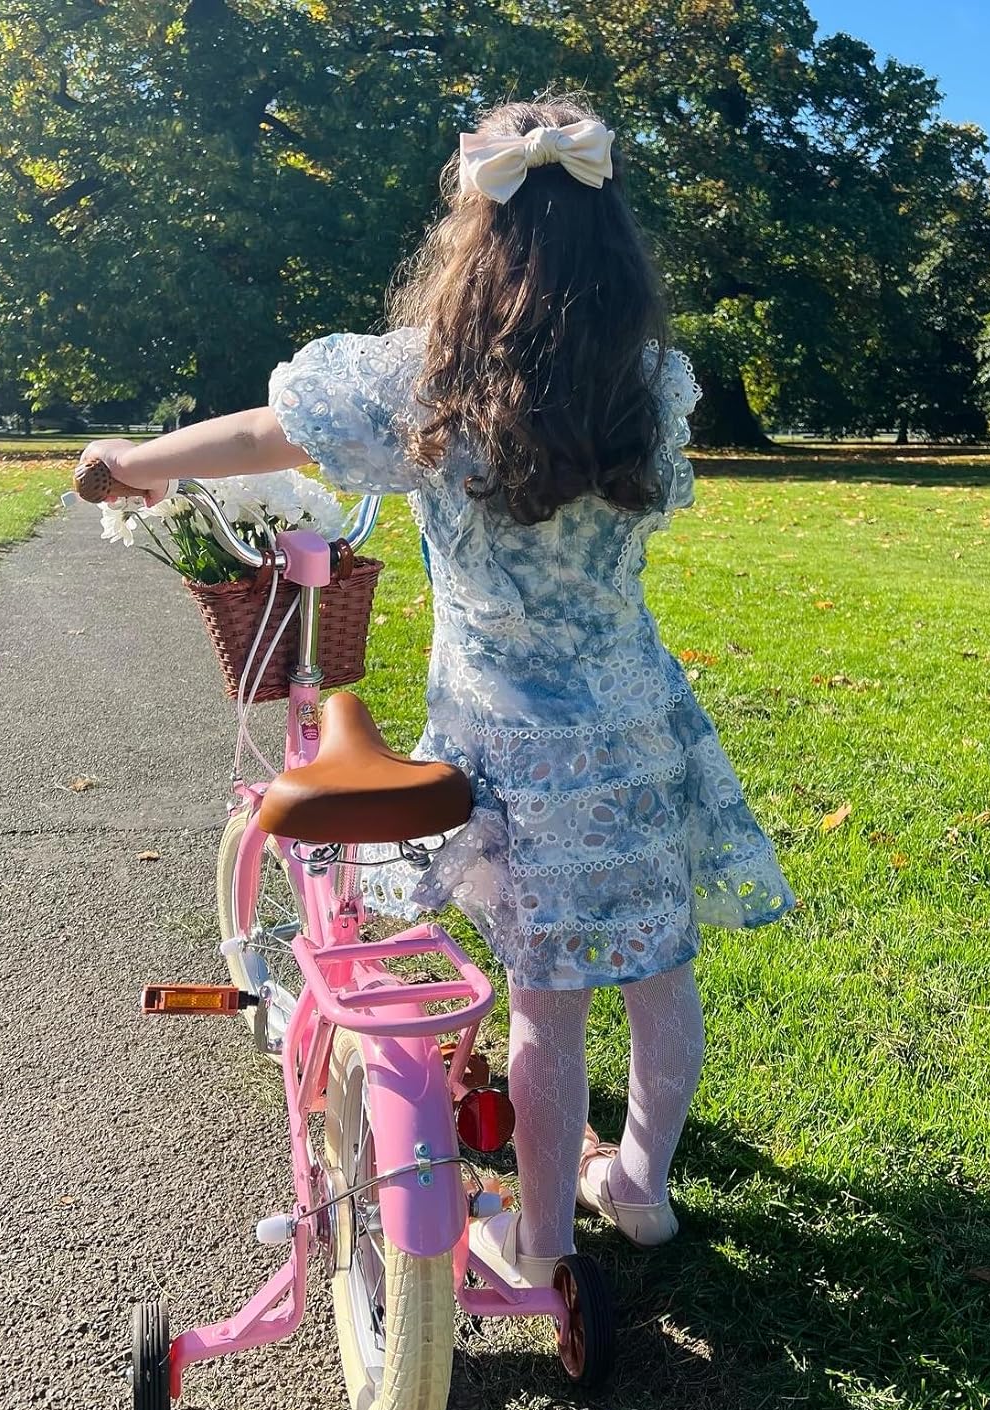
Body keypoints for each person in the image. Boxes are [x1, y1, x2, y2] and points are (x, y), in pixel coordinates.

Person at [76, 92, 795, 1287]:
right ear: (616, 248)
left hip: (514, 743)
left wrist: (133, 462)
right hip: (638, 722)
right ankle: (643, 1185)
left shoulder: (432, 384)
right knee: (661, 972)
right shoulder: (646, 379)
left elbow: (262, 434)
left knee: (547, 1003)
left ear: (474, 237)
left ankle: (543, 1245)